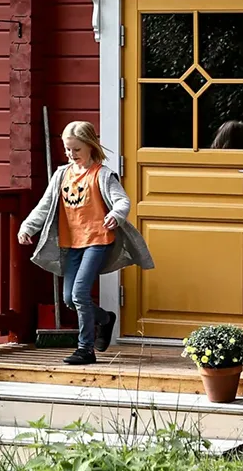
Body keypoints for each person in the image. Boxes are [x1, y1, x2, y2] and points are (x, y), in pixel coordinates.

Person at [17, 122, 154, 366]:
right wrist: (27, 227)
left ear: (90, 146)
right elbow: (44, 206)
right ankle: (105, 319)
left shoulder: (102, 175)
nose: (71, 154)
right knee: (70, 298)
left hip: (97, 240)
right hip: (71, 244)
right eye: (67, 149)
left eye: (76, 149)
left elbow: (122, 201)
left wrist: (116, 215)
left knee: (80, 293)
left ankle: (85, 349)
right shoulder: (61, 175)